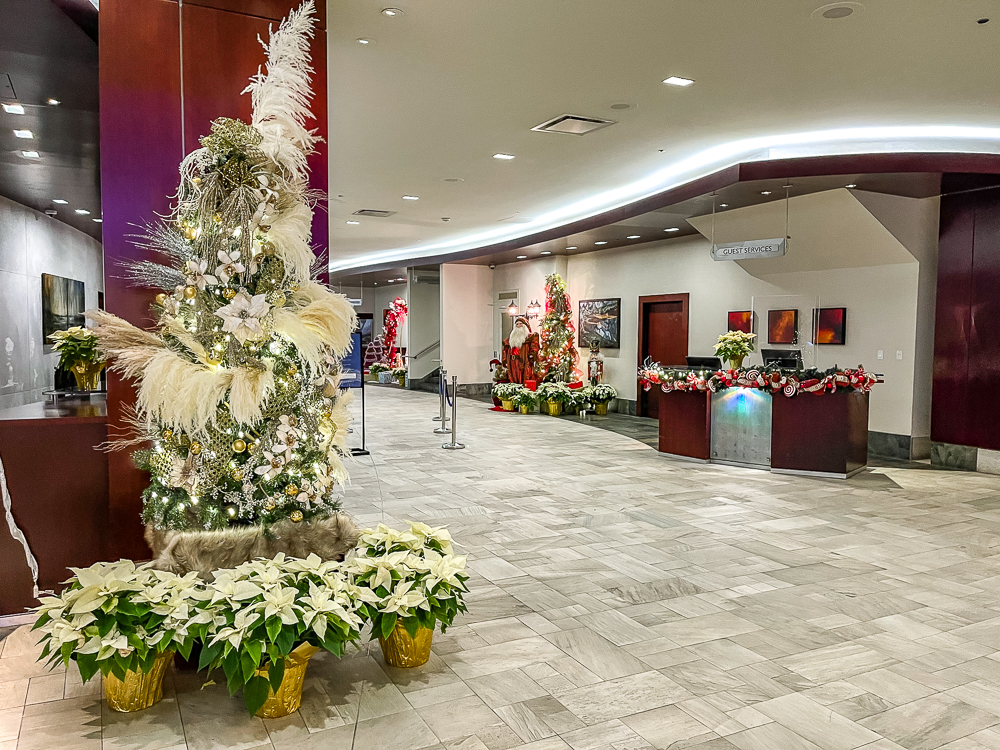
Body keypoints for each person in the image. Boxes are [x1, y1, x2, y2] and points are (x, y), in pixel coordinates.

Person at [501, 316, 540, 384]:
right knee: (513, 378)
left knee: (525, 377)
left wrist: (532, 354)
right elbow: (505, 350)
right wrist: (505, 361)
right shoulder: (510, 339)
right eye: (517, 324)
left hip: (524, 361)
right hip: (512, 362)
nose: (518, 326)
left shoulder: (530, 337)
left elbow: (535, 346)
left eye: (520, 323)